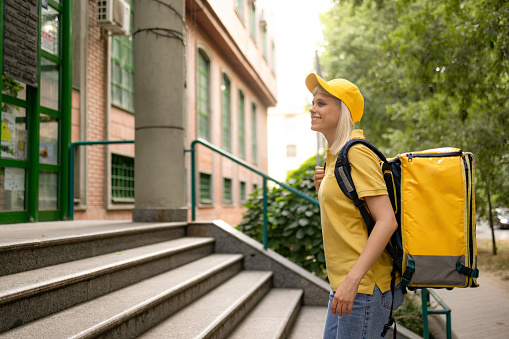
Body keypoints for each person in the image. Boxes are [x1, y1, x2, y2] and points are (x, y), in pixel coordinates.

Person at [306, 73, 403, 339]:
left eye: (321, 103)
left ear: (343, 110)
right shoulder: (335, 157)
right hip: (346, 286)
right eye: (312, 103)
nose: (312, 109)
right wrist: (321, 188)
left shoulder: (356, 152)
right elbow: (346, 218)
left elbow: (387, 220)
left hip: (362, 288)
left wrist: (352, 282)